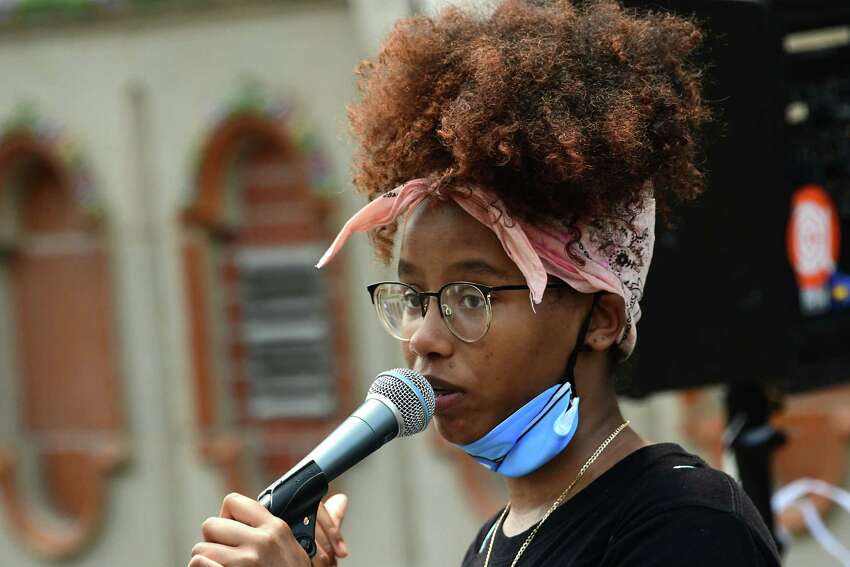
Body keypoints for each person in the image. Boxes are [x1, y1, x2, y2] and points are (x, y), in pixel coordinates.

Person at [189, 1, 783, 565]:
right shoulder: (495, 542)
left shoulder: (689, 529)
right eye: (414, 297)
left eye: (469, 297)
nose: (423, 337)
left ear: (599, 319)